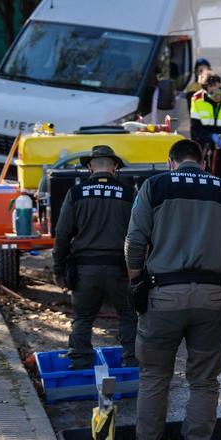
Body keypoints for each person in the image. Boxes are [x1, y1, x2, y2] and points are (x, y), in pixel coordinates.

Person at [125, 138, 221, 440]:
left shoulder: (154, 186)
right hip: (213, 299)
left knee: (155, 378)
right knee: (203, 382)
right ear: (204, 163)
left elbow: (135, 240)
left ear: (171, 162)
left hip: (164, 296)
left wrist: (135, 280)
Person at [52, 145, 137, 369]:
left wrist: (57, 268)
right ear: (115, 166)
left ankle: (79, 363)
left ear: (90, 166)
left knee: (82, 318)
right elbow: (141, 233)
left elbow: (62, 234)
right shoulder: (129, 194)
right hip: (120, 270)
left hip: (85, 271)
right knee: (128, 316)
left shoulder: (76, 193)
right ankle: (131, 364)